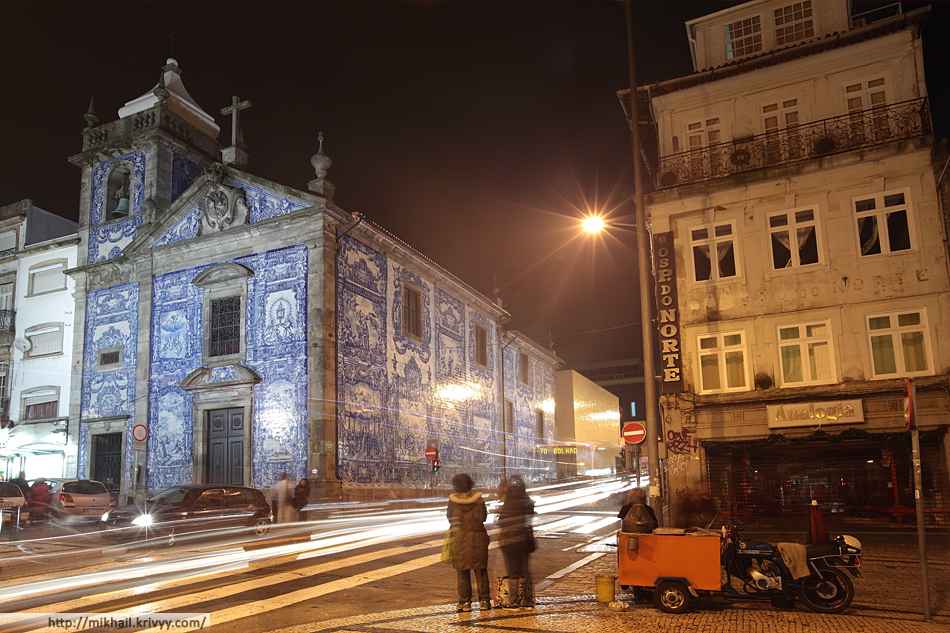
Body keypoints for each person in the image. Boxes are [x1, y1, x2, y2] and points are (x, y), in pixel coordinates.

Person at [447, 473, 491, 612]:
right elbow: (483, 517)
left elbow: (450, 519)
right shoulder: (479, 500)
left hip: (461, 537)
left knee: (463, 570)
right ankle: (484, 601)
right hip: (478, 536)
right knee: (481, 569)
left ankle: (465, 602)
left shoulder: (453, 502)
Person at [496, 476, 536, 607]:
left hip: (510, 540)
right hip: (525, 539)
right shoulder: (528, 501)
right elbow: (530, 519)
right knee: (524, 569)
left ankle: (513, 600)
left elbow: (502, 522)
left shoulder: (509, 503)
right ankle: (527, 598)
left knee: (513, 570)